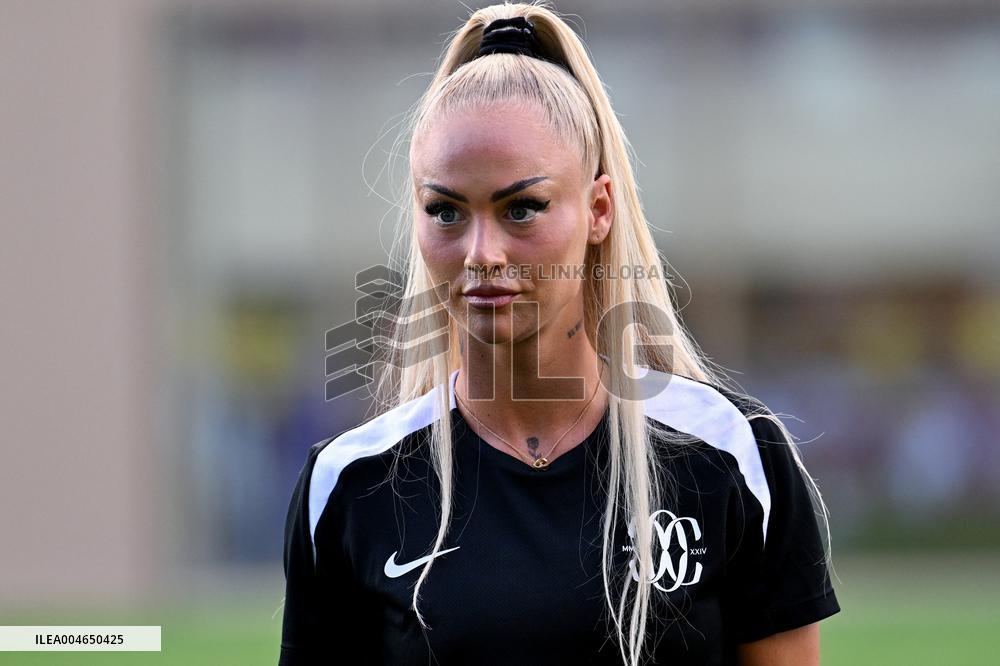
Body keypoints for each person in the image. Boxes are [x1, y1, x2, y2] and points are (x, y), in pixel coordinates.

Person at [279, 2, 840, 664]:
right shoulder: (350, 486)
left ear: (597, 209)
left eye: (522, 208)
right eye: (446, 211)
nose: (482, 251)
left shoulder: (731, 456)